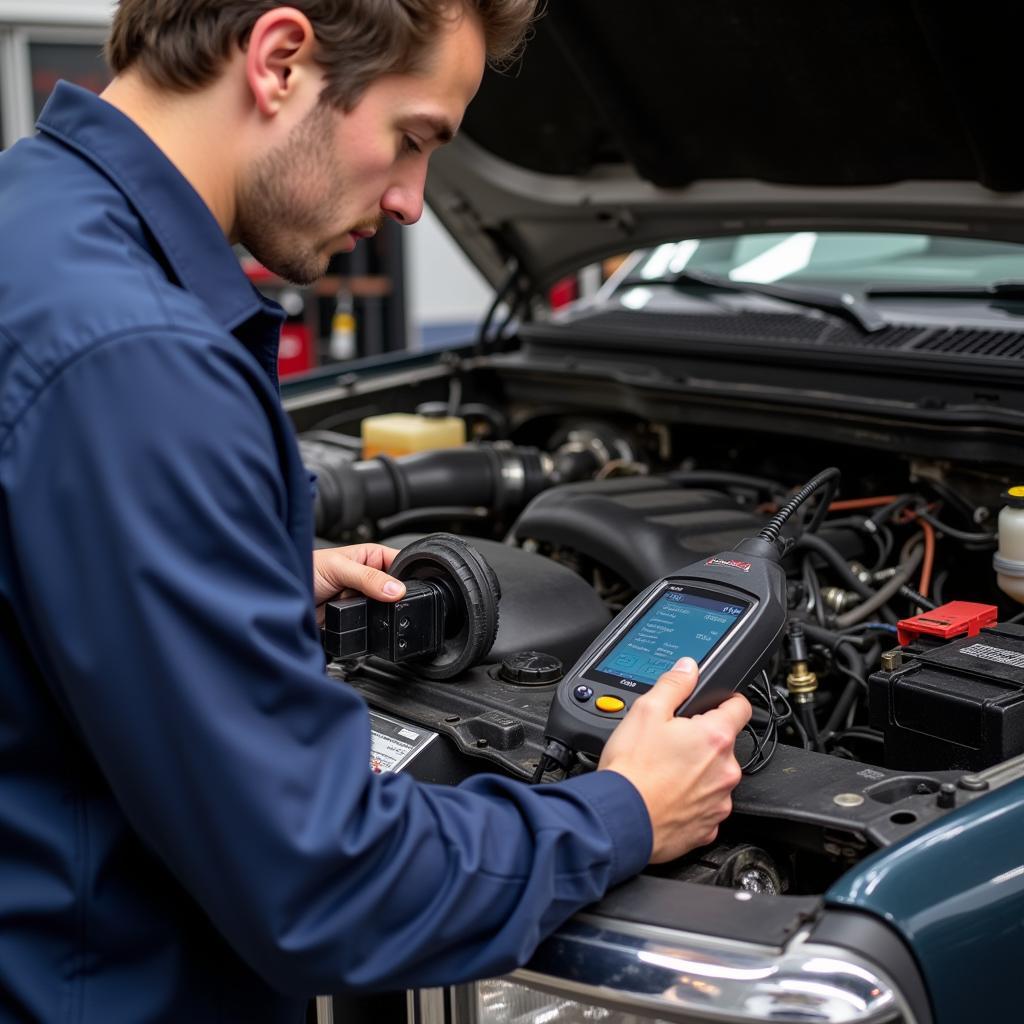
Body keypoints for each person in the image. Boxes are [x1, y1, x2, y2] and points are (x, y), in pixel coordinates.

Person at [0, 2, 752, 1021]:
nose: (410, 201)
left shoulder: (31, 223)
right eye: (412, 138)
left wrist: (241, 570)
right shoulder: (138, 360)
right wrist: (621, 812)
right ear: (279, 60)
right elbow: (323, 883)